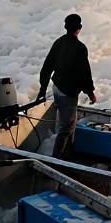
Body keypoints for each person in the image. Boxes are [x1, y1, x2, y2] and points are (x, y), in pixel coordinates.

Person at [37, 13, 96, 159]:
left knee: (68, 124)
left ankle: (67, 155)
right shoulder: (80, 48)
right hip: (67, 93)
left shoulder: (59, 42)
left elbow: (47, 67)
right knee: (67, 128)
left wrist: (42, 89)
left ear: (65, 27)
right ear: (80, 28)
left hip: (56, 87)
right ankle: (58, 160)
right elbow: (85, 73)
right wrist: (90, 93)